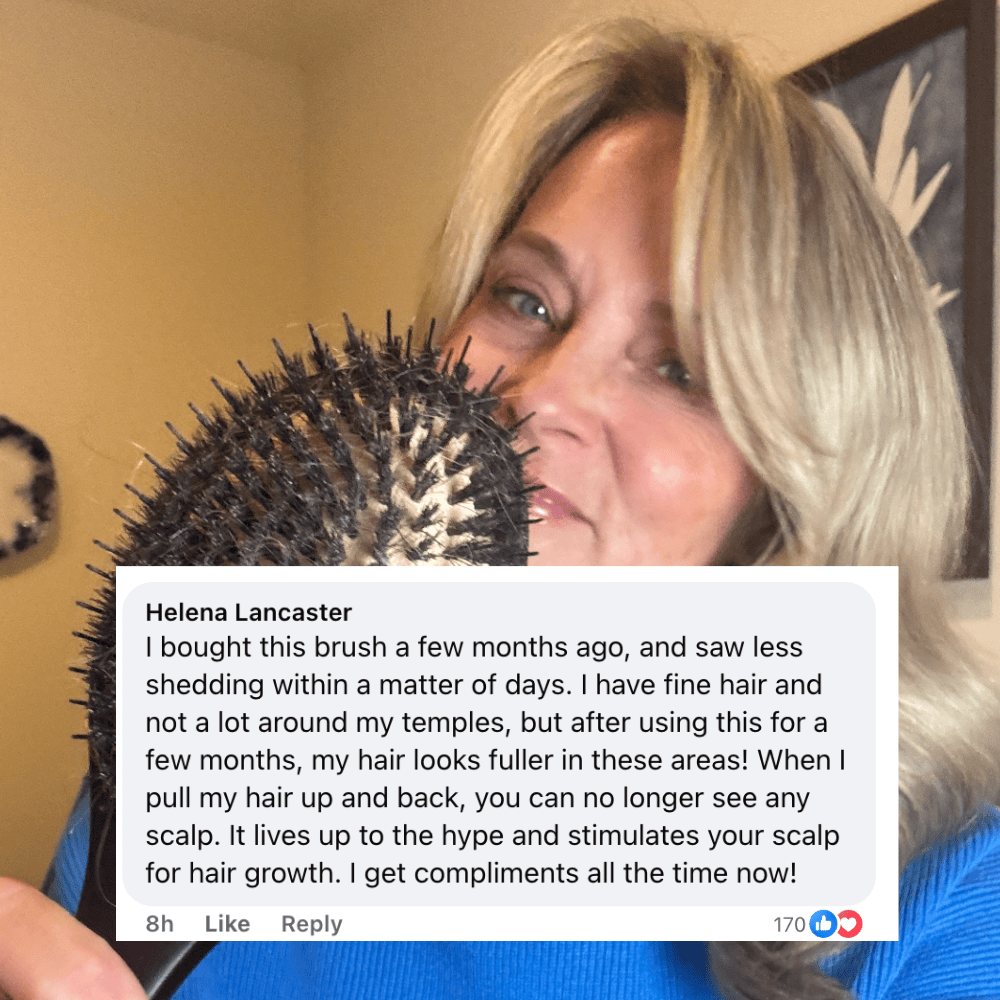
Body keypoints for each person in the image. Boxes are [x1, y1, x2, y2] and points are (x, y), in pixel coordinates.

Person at [3, 17, 999, 1000]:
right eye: (526, 300)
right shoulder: (215, 733)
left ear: (790, 490)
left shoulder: (946, 893)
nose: (540, 395)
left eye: (680, 367)